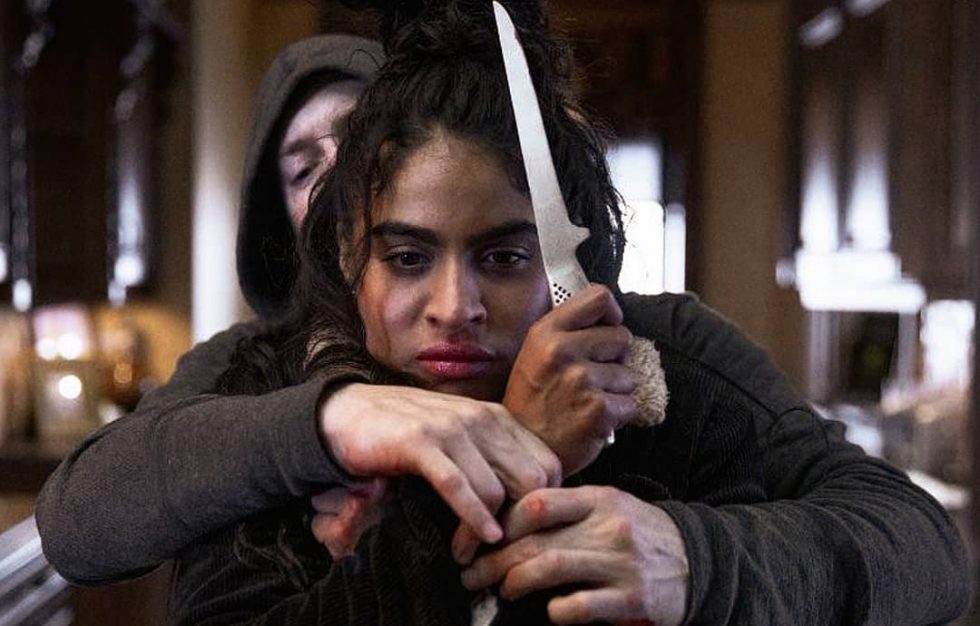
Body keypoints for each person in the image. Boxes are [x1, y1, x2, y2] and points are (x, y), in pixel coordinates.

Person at [167, 2, 969, 624]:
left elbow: (922, 547)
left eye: (503, 258)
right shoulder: (266, 405)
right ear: (348, 255)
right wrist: (494, 469)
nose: (455, 309)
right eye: (408, 258)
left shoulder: (661, 360)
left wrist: (696, 560)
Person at [34, 33, 387, 582]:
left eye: (362, 138)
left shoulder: (486, 324)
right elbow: (74, 522)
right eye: (303, 169)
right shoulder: (245, 361)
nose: (338, 174)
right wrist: (325, 423)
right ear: (282, 223)